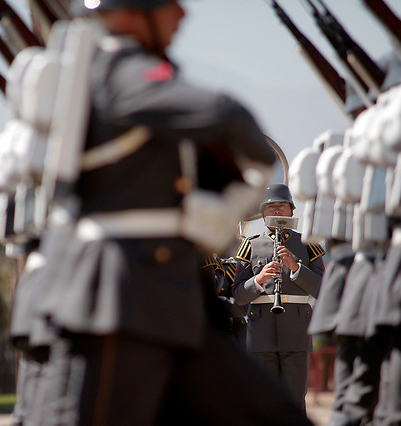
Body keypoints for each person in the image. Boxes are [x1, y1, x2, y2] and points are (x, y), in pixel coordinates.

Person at [31, 1, 314, 424]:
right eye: (168, 5)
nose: (181, 15)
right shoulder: (118, 68)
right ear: (133, 10)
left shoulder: (109, 71)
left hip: (171, 297)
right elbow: (222, 114)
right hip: (121, 295)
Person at [233, 183, 325, 412]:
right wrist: (259, 279)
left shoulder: (308, 244)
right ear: (263, 213)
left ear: (292, 211)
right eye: (271, 206)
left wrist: (296, 268)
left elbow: (323, 290)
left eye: (282, 206)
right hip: (260, 331)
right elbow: (237, 296)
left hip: (296, 330)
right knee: (262, 401)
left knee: (294, 400)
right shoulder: (250, 245)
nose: (277, 211)